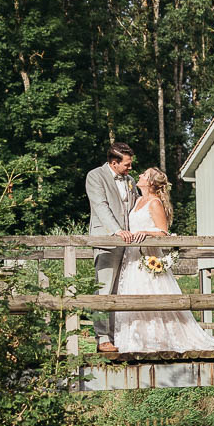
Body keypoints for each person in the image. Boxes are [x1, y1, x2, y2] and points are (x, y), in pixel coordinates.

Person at [114, 167, 214, 353]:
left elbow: (163, 231)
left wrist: (145, 233)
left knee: (151, 294)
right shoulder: (138, 200)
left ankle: (157, 340)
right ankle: (135, 340)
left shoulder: (154, 202)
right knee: (133, 295)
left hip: (148, 256)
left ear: (151, 183)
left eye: (144, 175)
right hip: (132, 257)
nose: (139, 175)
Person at [85, 142, 139, 357]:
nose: (130, 168)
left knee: (122, 290)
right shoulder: (95, 176)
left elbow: (134, 207)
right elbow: (100, 206)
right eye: (127, 164)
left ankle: (120, 336)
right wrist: (116, 230)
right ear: (113, 163)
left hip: (129, 243)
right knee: (104, 291)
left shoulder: (130, 181)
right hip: (107, 240)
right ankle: (103, 338)